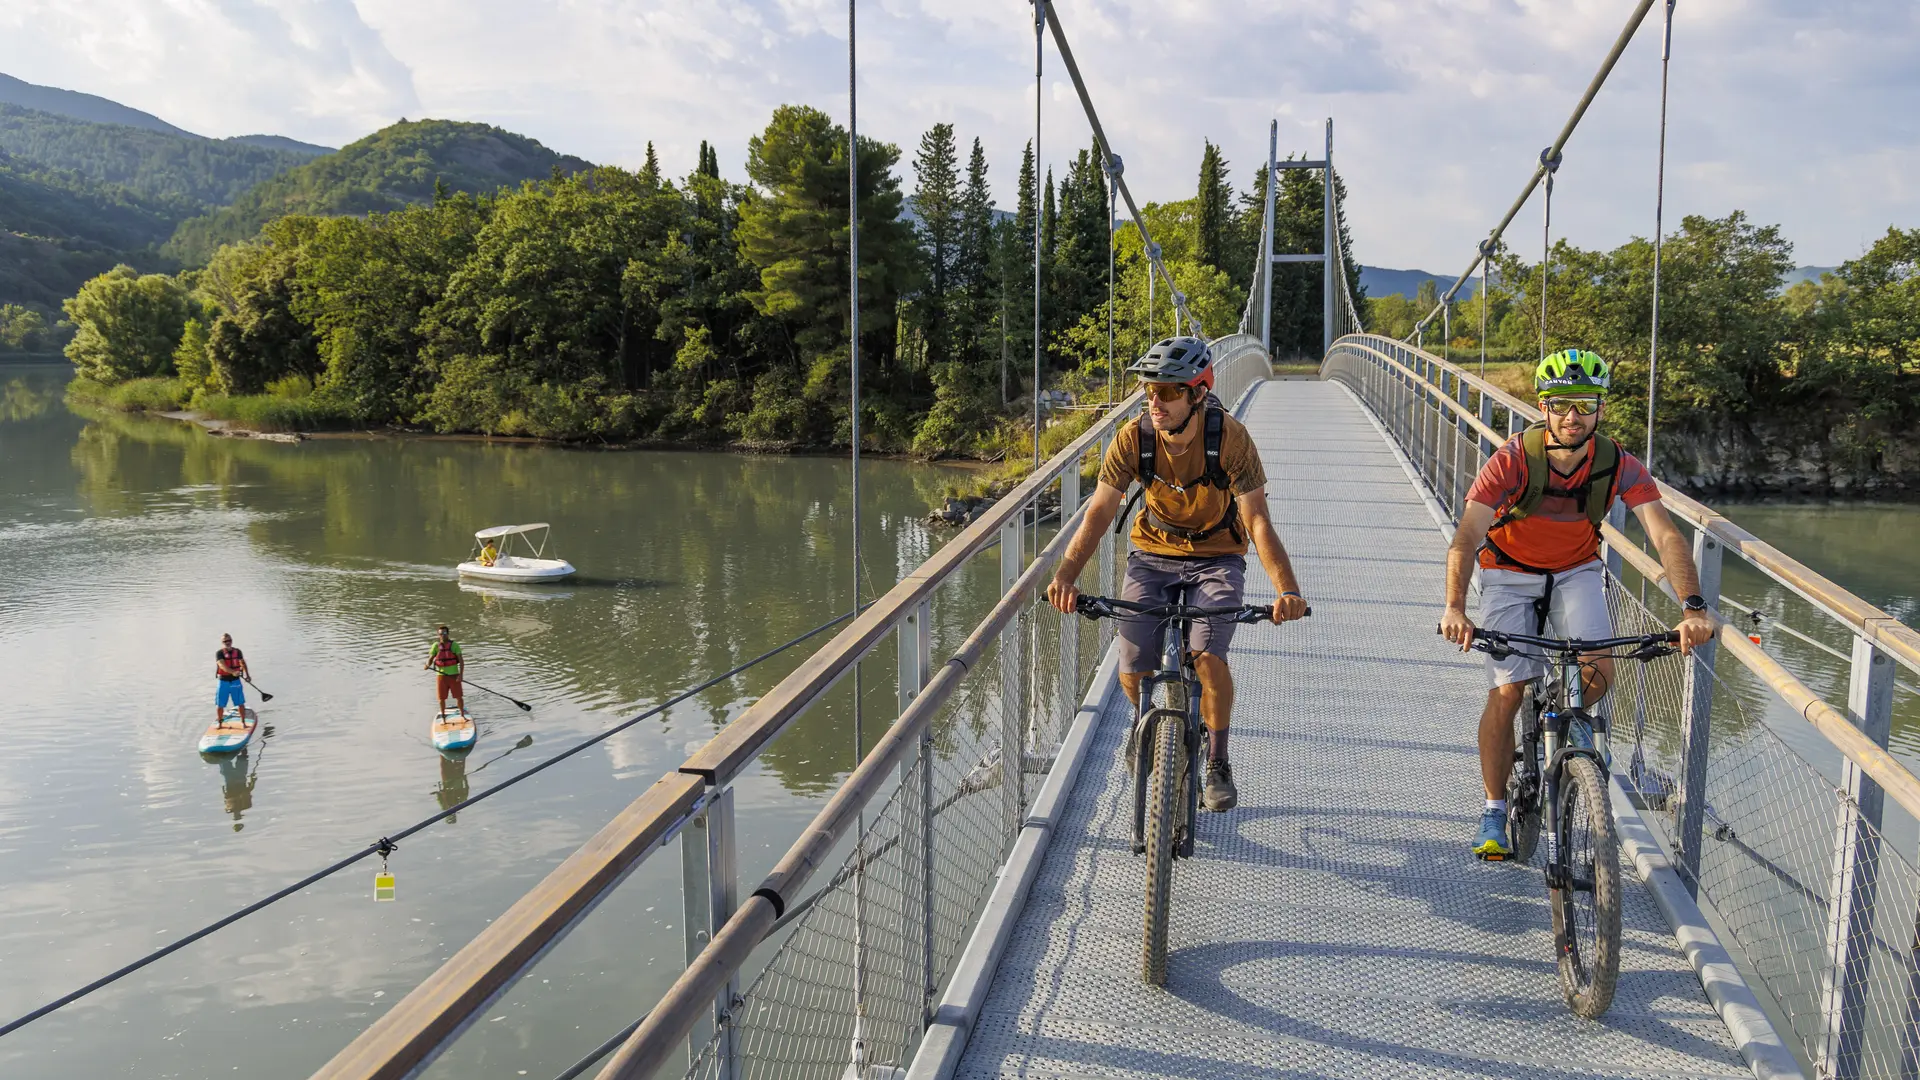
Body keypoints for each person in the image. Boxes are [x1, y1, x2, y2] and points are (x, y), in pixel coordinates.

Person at [1439, 349, 1716, 859]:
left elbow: (1664, 534)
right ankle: (1494, 809)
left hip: (1576, 570)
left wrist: (1693, 608)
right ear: (1543, 407)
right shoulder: (1511, 461)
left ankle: (1557, 708)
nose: (1573, 416)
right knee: (1507, 691)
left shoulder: (1617, 464)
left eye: (1585, 404)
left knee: (1598, 672)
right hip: (1509, 573)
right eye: (1561, 404)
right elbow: (1467, 537)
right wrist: (1455, 607)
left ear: (1600, 408)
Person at [1046, 336, 1309, 812]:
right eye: (1150, 390)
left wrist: (1286, 590)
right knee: (1132, 662)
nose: (1155, 401)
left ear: (1198, 393)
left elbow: (1256, 520)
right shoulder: (1134, 438)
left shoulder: (1231, 439)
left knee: (1208, 658)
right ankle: (1142, 723)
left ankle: (1218, 761)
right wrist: (1065, 576)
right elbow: (1100, 511)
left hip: (1217, 557)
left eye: (1168, 391)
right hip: (1152, 553)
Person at [425, 625, 466, 717]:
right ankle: (443, 717)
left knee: (459, 697)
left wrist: (461, 675)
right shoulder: (435, 646)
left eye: (444, 633)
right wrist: (427, 665)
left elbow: (461, 661)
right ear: (438, 635)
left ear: (448, 633)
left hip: (454, 675)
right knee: (441, 698)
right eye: (440, 634)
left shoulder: (454, 645)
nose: (442, 635)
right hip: (441, 676)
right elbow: (431, 658)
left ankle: (462, 715)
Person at [214, 634, 250, 726]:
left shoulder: (238, 652)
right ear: (222, 642)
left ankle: (243, 722)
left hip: (235, 681)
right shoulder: (219, 653)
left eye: (229, 640)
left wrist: (247, 675)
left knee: (240, 703)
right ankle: (220, 724)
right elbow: (222, 665)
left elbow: (242, 663)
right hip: (223, 682)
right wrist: (233, 672)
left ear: (231, 640)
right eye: (225, 641)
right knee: (220, 704)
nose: (227, 642)